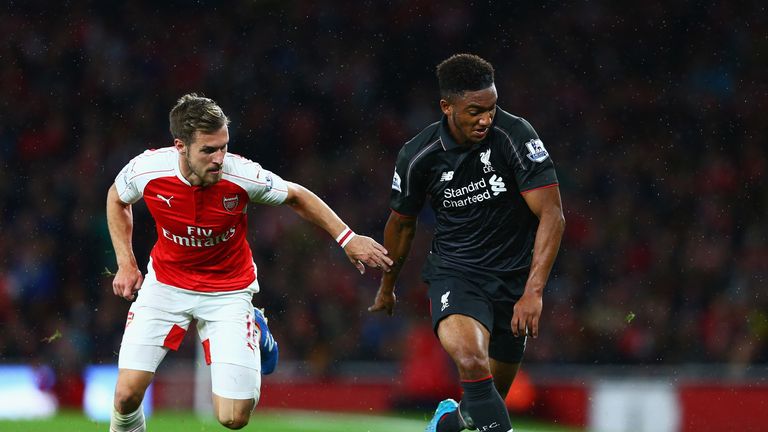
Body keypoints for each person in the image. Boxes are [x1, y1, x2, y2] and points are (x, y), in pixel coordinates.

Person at [106, 93, 393, 431]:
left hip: (228, 291)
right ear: (180, 146)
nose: (219, 158)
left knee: (233, 418)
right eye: (208, 150)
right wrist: (126, 263)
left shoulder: (242, 175)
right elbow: (116, 198)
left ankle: (255, 329)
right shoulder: (147, 168)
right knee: (126, 395)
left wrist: (348, 238)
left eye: (224, 146)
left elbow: (297, 195)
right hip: (165, 286)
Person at [368, 53, 565, 432]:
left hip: (513, 284)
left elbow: (552, 215)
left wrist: (533, 292)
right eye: (475, 111)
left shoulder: (515, 135)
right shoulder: (418, 155)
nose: (486, 119)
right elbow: (402, 225)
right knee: (473, 363)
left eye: (491, 108)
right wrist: (387, 286)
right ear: (447, 107)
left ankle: (447, 422)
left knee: (479, 407)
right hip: (456, 275)